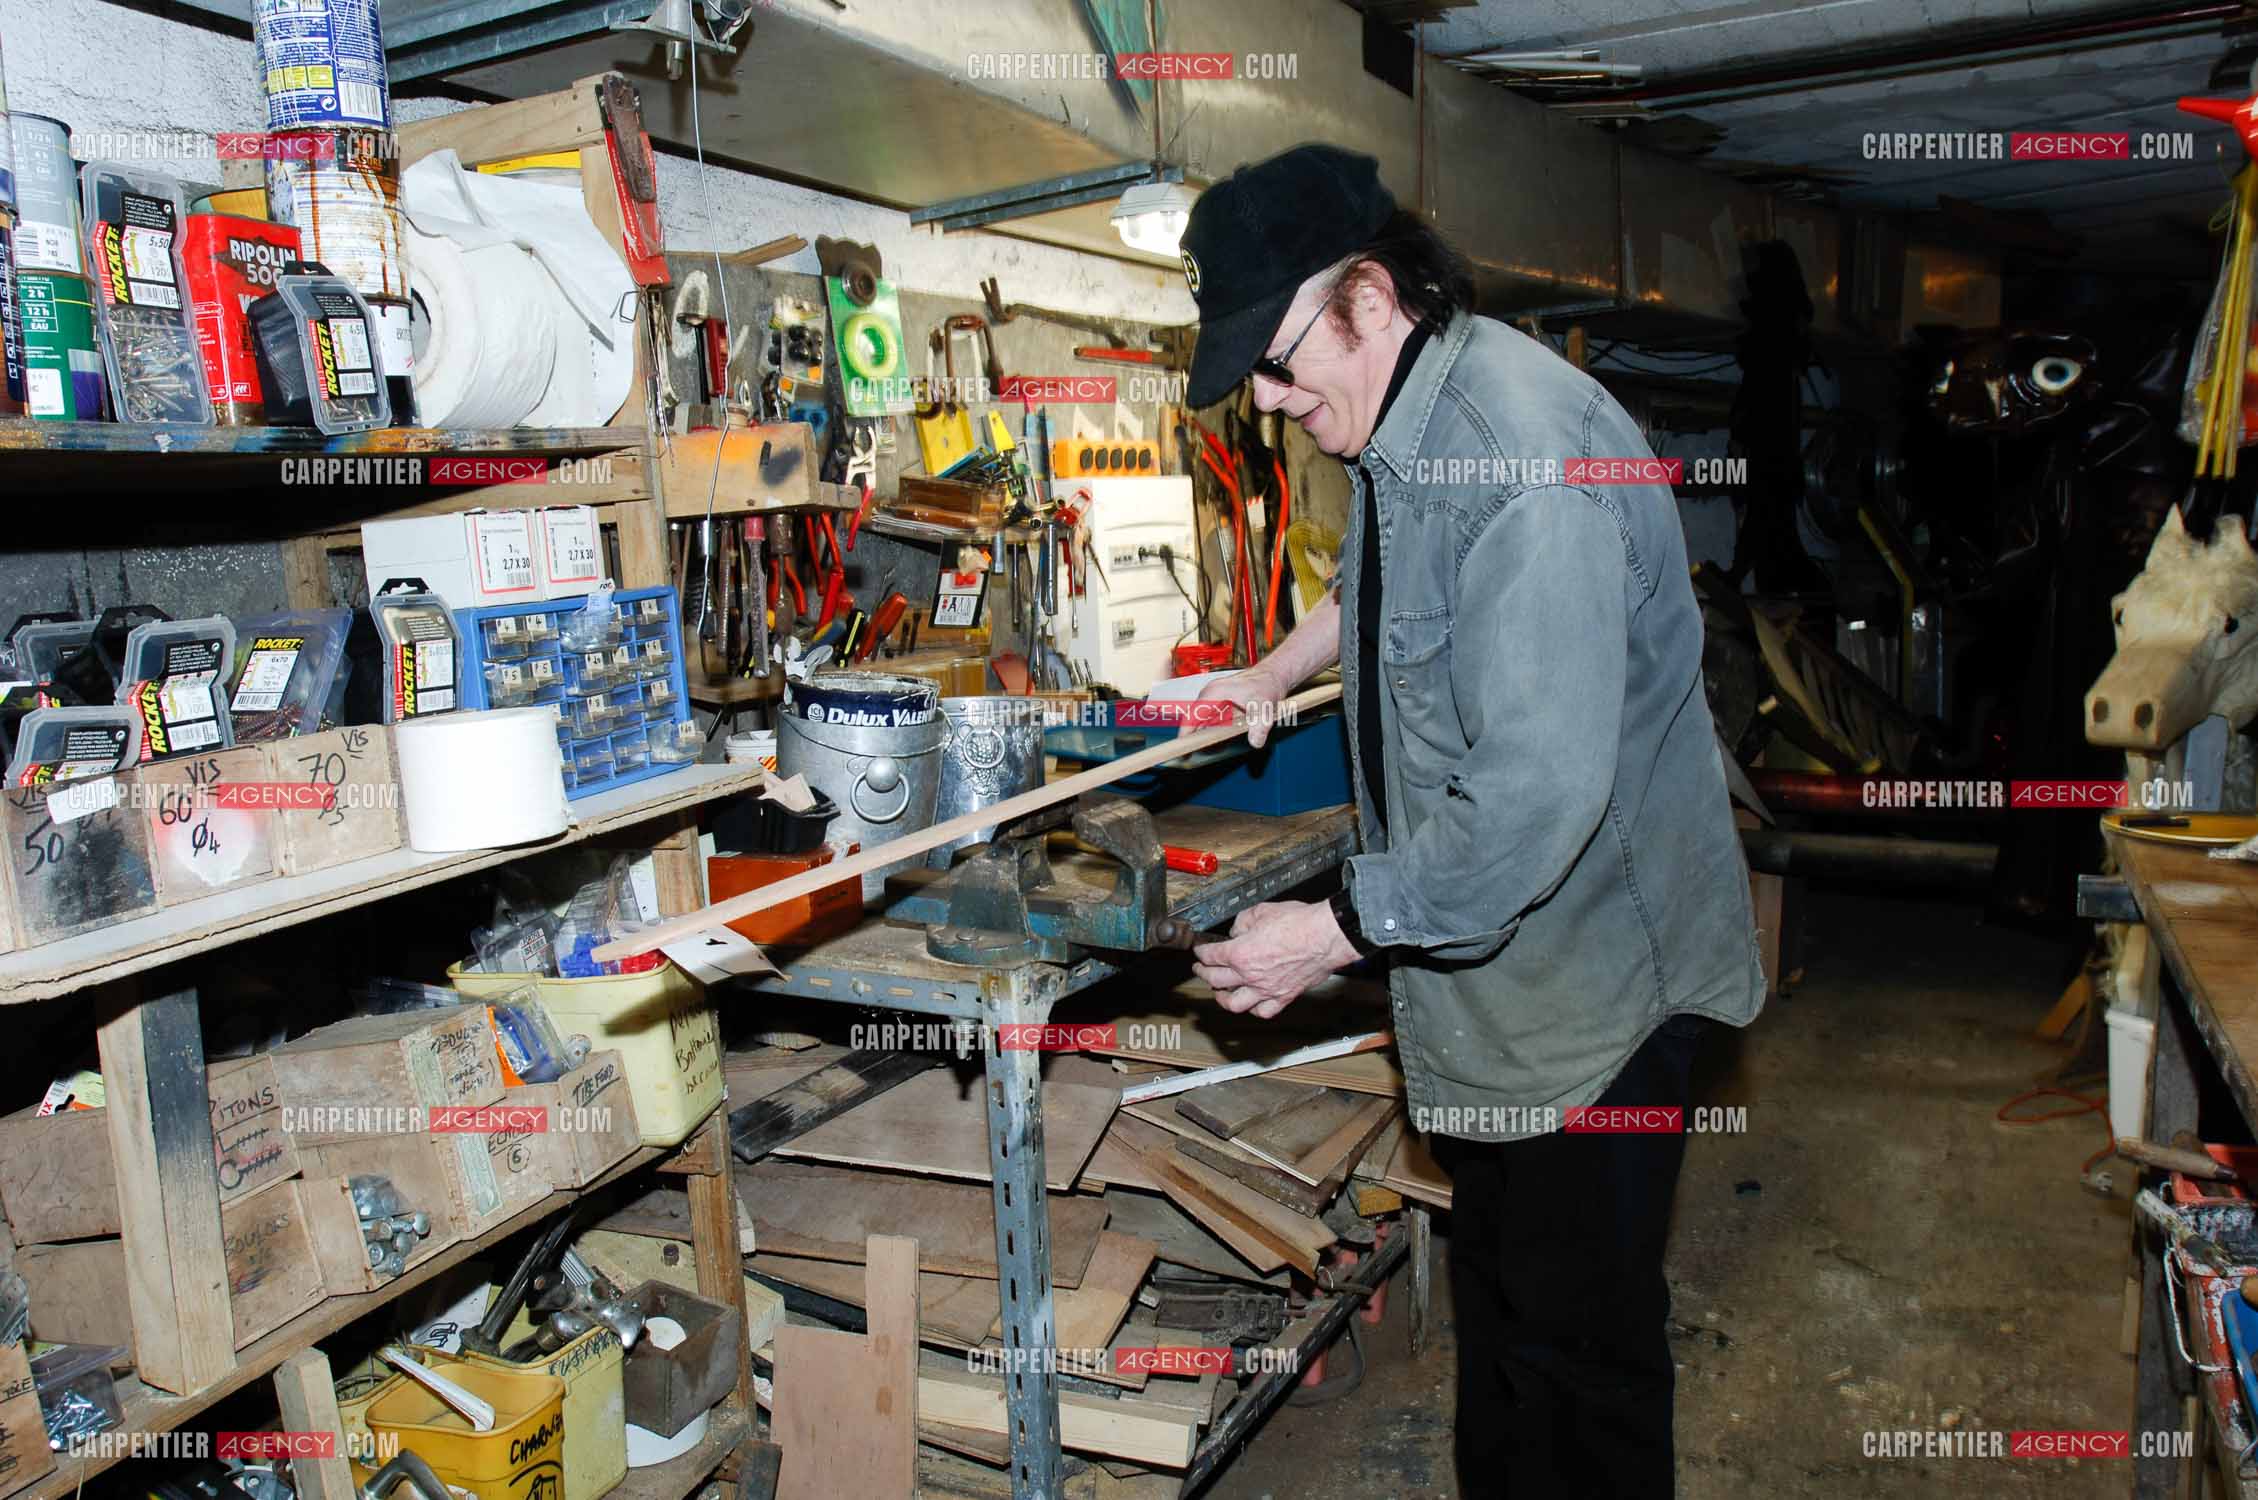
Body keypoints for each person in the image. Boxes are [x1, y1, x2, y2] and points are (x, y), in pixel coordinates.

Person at [1175, 143, 1767, 1497]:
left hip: (1595, 998)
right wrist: (1270, 671)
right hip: (1507, 989)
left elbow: (1531, 800)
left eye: (1277, 363)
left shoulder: (1521, 459)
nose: (1266, 402)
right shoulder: (1415, 421)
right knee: (1507, 1336)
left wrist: (1326, 934)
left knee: (1579, 1365)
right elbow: (1380, 577)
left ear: (1369, 299)